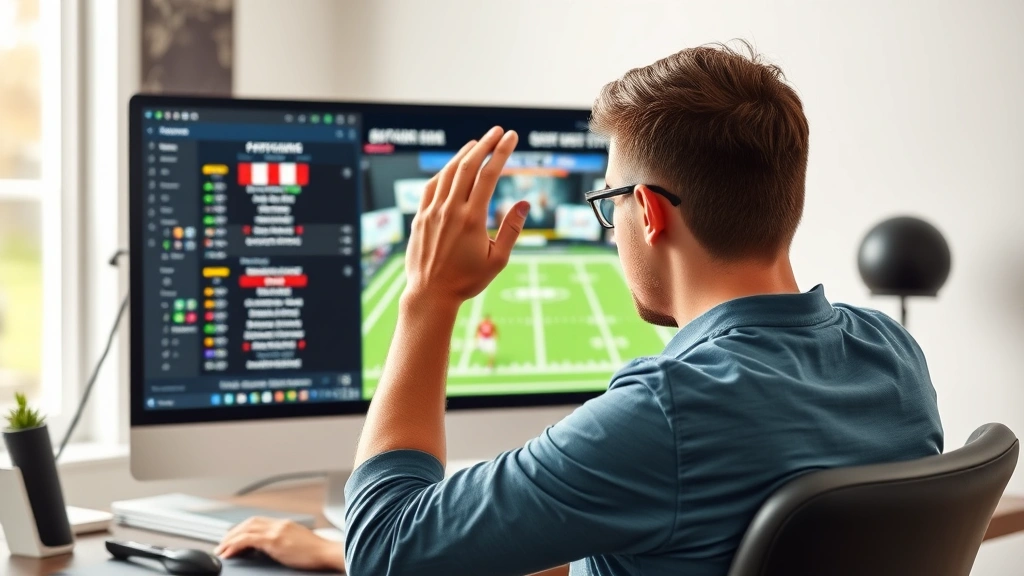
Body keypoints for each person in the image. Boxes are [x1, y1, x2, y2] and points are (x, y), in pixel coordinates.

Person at [216, 41, 943, 576]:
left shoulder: (668, 412)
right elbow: (671, 537)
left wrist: (427, 299)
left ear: (649, 212)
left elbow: (385, 550)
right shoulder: (892, 355)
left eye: (607, 204)